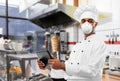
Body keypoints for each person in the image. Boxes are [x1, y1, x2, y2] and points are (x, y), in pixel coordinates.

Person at [38, 5, 107, 81]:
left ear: (95, 24)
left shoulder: (99, 44)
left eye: (90, 21)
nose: (86, 24)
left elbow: (92, 71)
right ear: (80, 24)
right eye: (83, 21)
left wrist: (62, 66)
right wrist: (50, 65)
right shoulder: (77, 46)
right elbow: (69, 70)